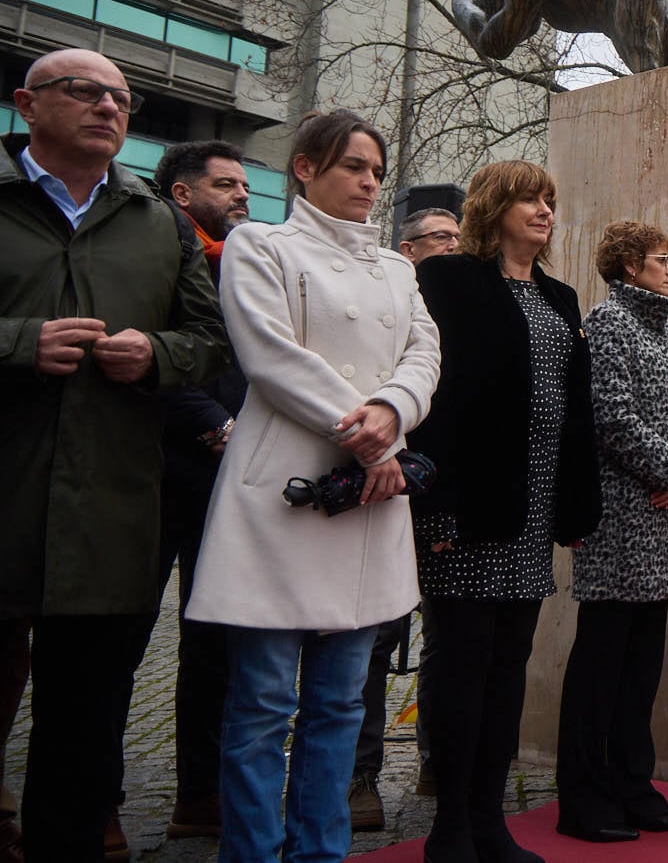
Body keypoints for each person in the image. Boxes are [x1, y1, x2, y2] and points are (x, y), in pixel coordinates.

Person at [185, 109, 442, 861]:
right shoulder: (259, 244)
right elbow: (270, 355)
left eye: (375, 169)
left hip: (367, 499)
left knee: (338, 701)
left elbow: (424, 355)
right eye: (354, 166)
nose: (369, 182)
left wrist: (390, 413)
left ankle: (320, 851)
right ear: (304, 167)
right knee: (263, 702)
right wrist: (368, 436)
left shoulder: (397, 268)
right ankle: (253, 852)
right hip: (282, 494)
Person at [1, 48, 230, 860]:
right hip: (8, 495)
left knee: (82, 729)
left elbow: (208, 344)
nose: (107, 106)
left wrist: (158, 355)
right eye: (85, 91)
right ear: (28, 104)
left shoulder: (158, 220)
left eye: (121, 97)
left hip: (109, 509)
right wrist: (20, 342)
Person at [408, 161, 596, 862]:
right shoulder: (450, 281)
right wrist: (437, 510)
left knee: (509, 669)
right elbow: (436, 402)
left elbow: (576, 413)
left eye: (550, 198)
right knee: (461, 667)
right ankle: (449, 827)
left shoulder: (561, 296)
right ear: (495, 205)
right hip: (468, 506)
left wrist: (577, 507)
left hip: (535, 504)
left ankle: (490, 820)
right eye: (529, 197)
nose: (544, 209)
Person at [556, 221, 668, 843]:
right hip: (621, 517)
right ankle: (585, 799)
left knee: (643, 668)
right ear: (627, 266)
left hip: (664, 514)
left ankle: (632, 785)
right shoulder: (609, 324)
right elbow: (611, 418)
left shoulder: (665, 328)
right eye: (660, 259)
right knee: (602, 666)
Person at [146, 140, 254, 841]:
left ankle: (199, 793)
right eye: (226, 183)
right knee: (120, 637)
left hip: (226, 482)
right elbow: (152, 349)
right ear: (183, 194)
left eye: (245, 182)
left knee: (212, 644)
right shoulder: (154, 252)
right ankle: (98, 802)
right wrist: (216, 425)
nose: (243, 194)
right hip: (156, 471)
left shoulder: (245, 264)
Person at [352, 205, 464, 827]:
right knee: (374, 641)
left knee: (444, 638)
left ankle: (436, 760)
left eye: (458, 236)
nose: (453, 245)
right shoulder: (388, 301)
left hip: (442, 499)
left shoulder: (468, 305)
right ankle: (360, 773)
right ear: (409, 248)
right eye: (441, 237)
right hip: (381, 485)